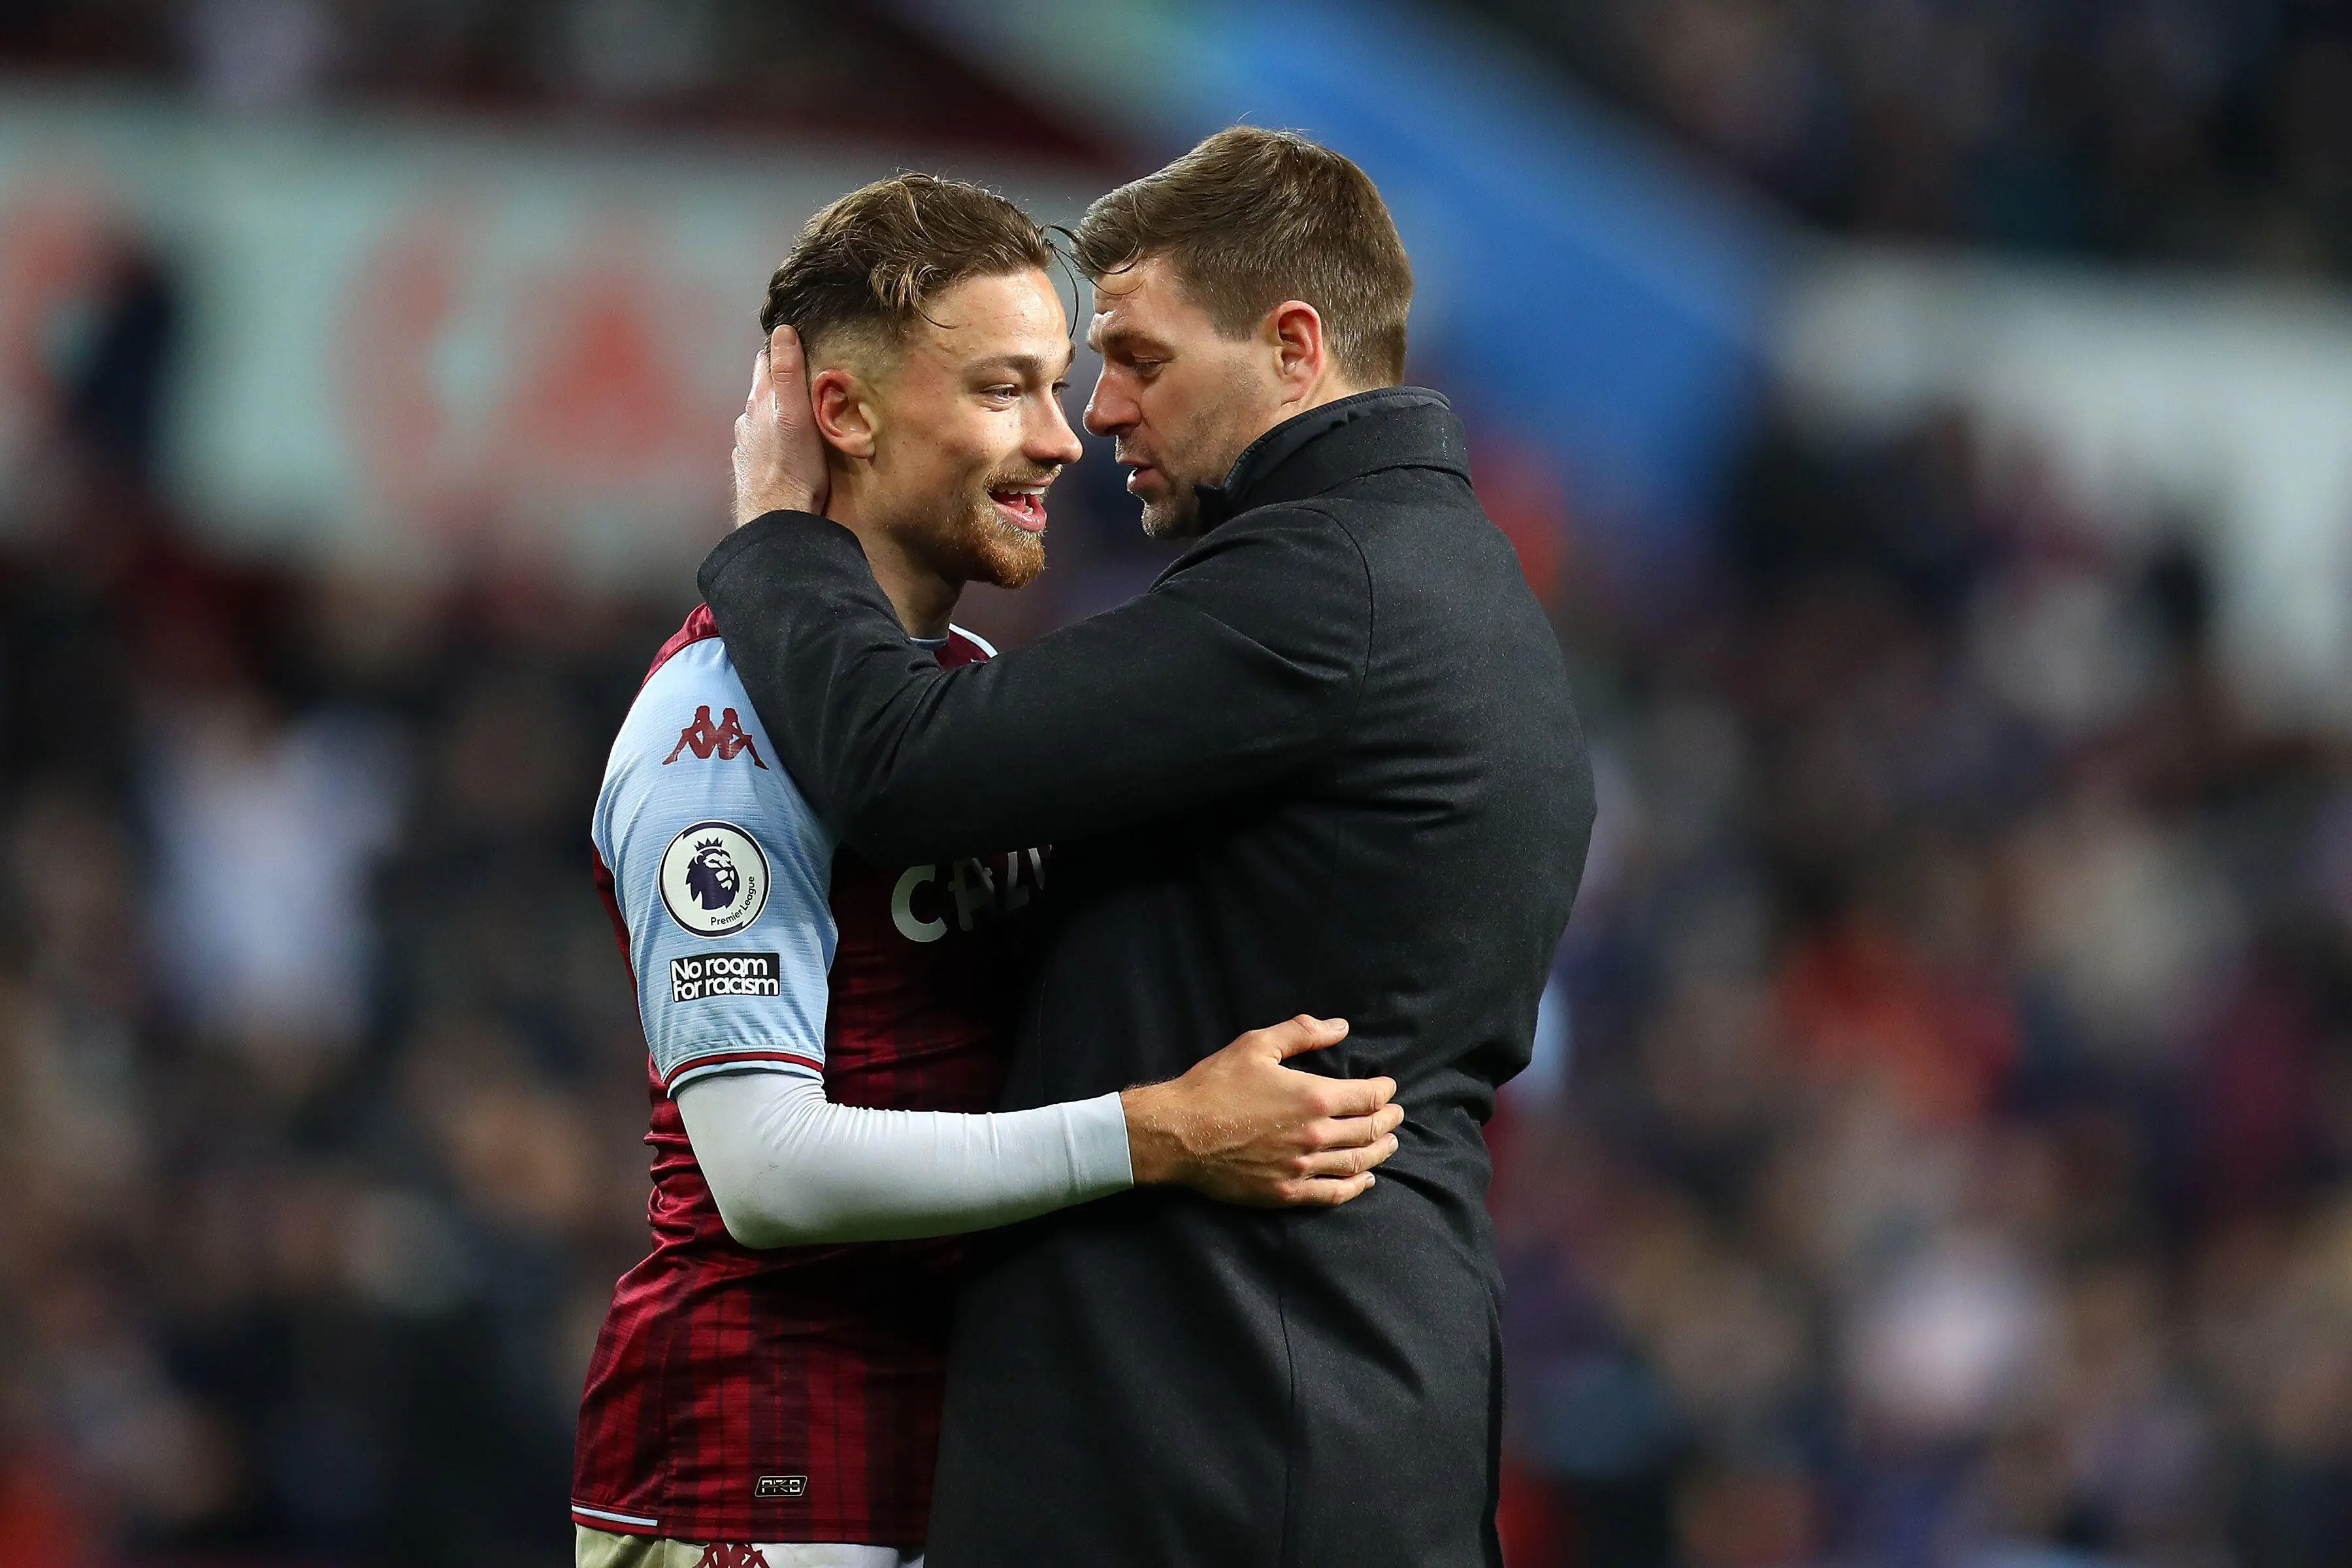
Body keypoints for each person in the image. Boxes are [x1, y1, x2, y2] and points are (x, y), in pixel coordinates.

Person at [706, 129, 1597, 1567]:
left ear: (1294, 346)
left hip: (1225, 1431)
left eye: (1140, 356)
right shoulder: (1435, 582)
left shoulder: (1331, 593)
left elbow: (901, 768)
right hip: (1307, 1401)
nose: (1096, 409)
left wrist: (770, 530)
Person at [572, 173, 1405, 1568]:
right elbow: (764, 1170)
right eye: (1007, 390)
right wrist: (1161, 1132)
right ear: (846, 413)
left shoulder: (959, 703)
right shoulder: (718, 722)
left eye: (1062, 387)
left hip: (956, 1445)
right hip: (757, 1459)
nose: (1064, 440)